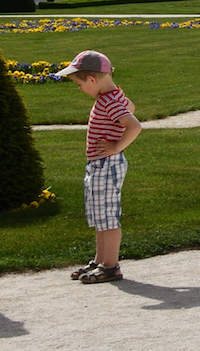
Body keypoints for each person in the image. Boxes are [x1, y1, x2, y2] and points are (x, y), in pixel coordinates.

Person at [55, 50, 141, 284]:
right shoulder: (113, 96)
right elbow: (130, 107)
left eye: (79, 84)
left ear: (92, 80)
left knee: (108, 217)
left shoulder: (109, 101)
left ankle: (111, 265)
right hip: (99, 164)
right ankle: (100, 261)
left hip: (106, 164)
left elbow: (134, 125)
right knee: (100, 215)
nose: (80, 89)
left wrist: (116, 146)